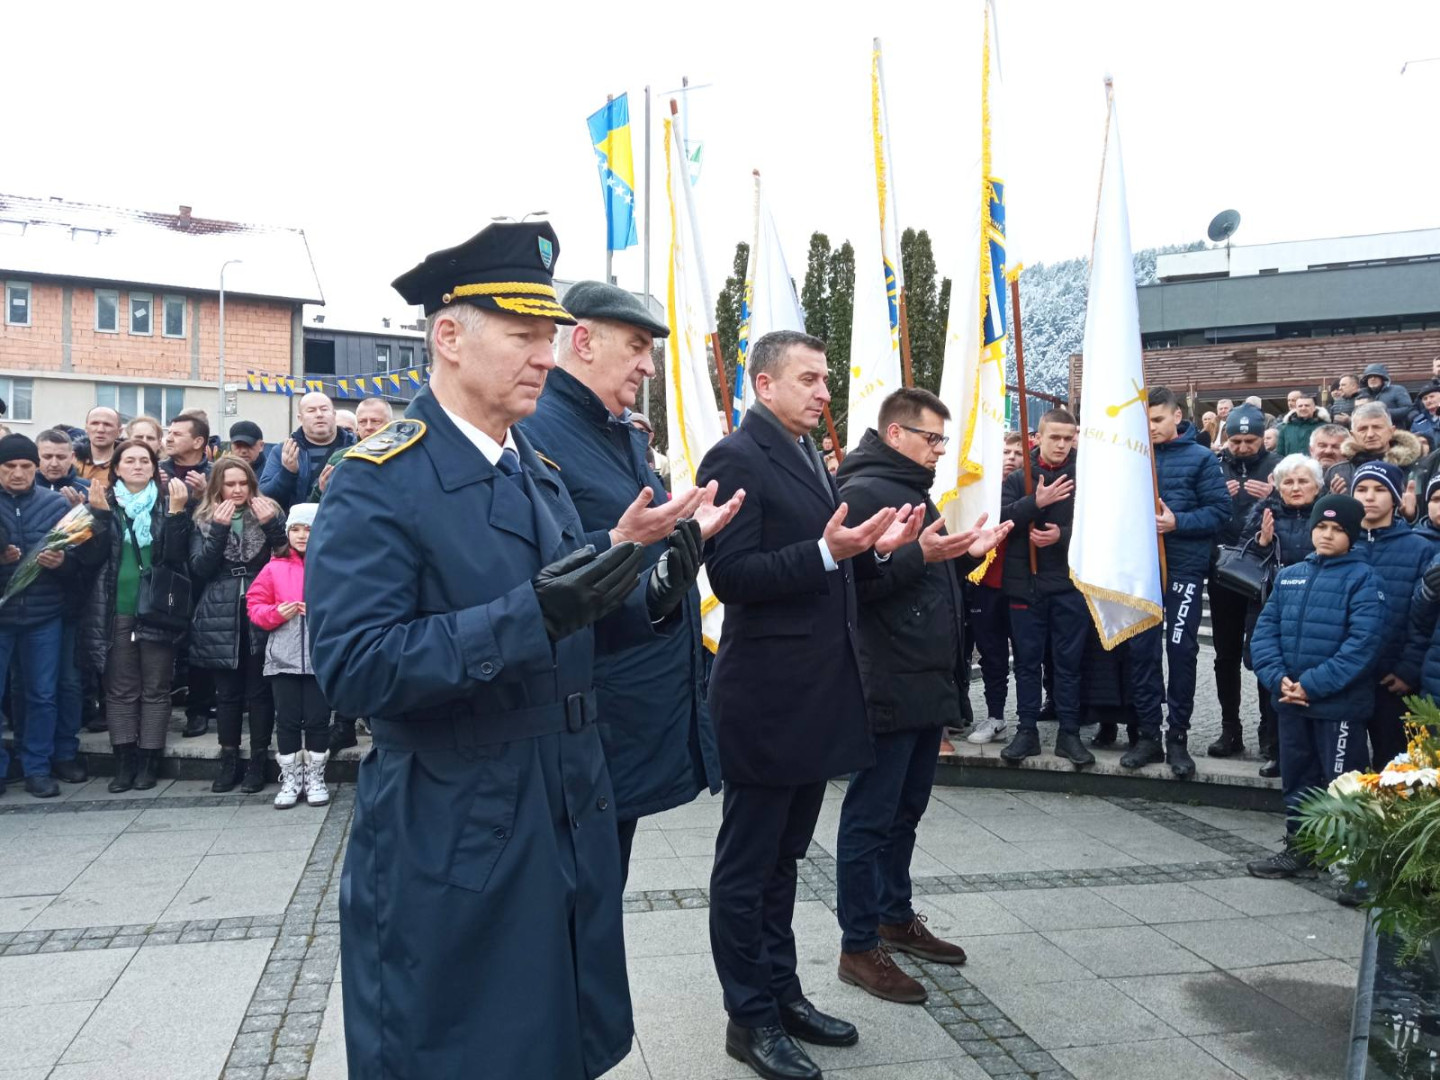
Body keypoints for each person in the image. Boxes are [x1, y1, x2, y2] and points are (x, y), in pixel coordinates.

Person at [306, 222, 698, 1080]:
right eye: (524, 337)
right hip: (457, 819)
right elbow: (355, 665)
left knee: (559, 1041)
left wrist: (645, 603)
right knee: (463, 1048)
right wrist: (531, 615)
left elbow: (568, 621)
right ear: (448, 337)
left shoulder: (534, 468)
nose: (546, 359)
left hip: (563, 803)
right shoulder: (379, 479)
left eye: (550, 339)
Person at [698, 329, 922, 1080]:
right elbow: (731, 576)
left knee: (784, 862)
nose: (825, 392)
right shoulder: (735, 456)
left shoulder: (802, 454)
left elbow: (833, 567)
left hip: (812, 696)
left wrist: (883, 550)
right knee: (747, 866)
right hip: (765, 700)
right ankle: (748, 1018)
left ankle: (782, 992)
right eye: (809, 379)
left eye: (826, 379)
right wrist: (829, 551)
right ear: (764, 386)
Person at [519, 280, 739, 878]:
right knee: (574, 902)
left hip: (624, 713)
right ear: (583, 341)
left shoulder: (614, 429)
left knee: (597, 900)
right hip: (588, 715)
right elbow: (542, 569)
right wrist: (630, 542)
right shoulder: (537, 429)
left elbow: (633, 541)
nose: (648, 364)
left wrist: (683, 534)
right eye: (637, 345)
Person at [833, 387, 1009, 1004]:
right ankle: (858, 945)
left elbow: (910, 575)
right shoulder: (865, 492)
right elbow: (855, 584)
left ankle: (892, 914)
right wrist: (923, 556)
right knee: (870, 817)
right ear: (896, 434)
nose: (940, 449)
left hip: (923, 680)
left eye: (943, 439)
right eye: (932, 437)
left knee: (904, 813)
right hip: (886, 680)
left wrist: (957, 560)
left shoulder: (907, 487)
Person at [1247, 494, 1382, 878]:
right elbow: (1265, 632)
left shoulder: (1363, 579)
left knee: (1344, 783)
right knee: (1298, 777)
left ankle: (1350, 861)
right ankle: (1302, 846)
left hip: (1337, 707)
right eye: (1321, 527)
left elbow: (1362, 645)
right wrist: (1279, 679)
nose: (1326, 535)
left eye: (1337, 530)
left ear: (1352, 536)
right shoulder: (1290, 575)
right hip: (1291, 702)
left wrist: (1312, 685)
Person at [1125, 388, 1230, 779]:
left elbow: (1221, 512)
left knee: (1181, 651)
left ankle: (1178, 738)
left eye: (1156, 420)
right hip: (1142, 571)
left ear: (1176, 417)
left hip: (1184, 570)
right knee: (1142, 652)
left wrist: (1177, 523)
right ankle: (1148, 735)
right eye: (1144, 421)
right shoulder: (1133, 458)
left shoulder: (1201, 458)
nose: (1150, 428)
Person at [79, 442, 191, 791]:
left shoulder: (168, 501)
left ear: (155, 466)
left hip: (156, 611)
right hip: (115, 610)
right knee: (120, 690)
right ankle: (124, 761)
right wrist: (96, 516)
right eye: (130, 460)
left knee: (156, 688)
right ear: (116, 468)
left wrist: (176, 515)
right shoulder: (102, 504)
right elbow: (89, 560)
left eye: (145, 460)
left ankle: (149, 761)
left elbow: (177, 559)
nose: (138, 466)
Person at [998, 408, 1094, 768]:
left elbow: (1099, 525)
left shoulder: (1085, 478)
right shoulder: (1020, 477)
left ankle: (1070, 732)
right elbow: (1002, 519)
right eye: (1055, 437)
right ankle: (1026, 729)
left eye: (1069, 438)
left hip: (1069, 583)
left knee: (1068, 663)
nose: (1062, 445)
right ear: (1038, 438)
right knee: (1026, 661)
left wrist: (1061, 536)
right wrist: (1034, 504)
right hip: (1026, 584)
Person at [189, 457, 287, 793]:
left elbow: (287, 556)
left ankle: (258, 761)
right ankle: (228, 759)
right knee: (227, 693)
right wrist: (218, 529)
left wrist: (273, 525)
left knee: (259, 692)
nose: (237, 490)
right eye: (229, 484)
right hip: (220, 608)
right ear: (218, 486)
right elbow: (200, 568)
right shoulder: (204, 518)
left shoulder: (267, 509)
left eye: (242, 483)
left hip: (261, 605)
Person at [0, 434, 78, 798]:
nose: (18, 474)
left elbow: (80, 560)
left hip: (44, 615)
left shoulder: (54, 505)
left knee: (42, 695)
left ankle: (37, 768)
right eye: (10, 467)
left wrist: (62, 563)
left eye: (25, 467)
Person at [1236, 454, 1323, 777]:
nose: (1296, 487)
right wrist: (1262, 541)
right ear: (1277, 486)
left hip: (1316, 611)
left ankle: (1314, 750)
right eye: (1288, 481)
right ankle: (1276, 750)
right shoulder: (1263, 514)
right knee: (1271, 681)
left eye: (1303, 481)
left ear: (1318, 485)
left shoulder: (1327, 515)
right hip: (1271, 610)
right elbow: (1244, 557)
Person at [247, 501, 332, 810]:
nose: (301, 535)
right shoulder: (274, 567)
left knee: (318, 719)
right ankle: (291, 779)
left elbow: (349, 605)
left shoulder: (331, 566)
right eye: (295, 529)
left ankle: (315, 778)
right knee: (287, 720)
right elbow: (255, 604)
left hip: (320, 656)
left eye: (308, 529)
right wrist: (275, 614)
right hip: (283, 657)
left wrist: (324, 613)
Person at [1349, 461, 1433, 769]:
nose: (1369, 497)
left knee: (1393, 764)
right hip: (1347, 679)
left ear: (1397, 498)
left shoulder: (1419, 549)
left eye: (1380, 489)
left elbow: (1422, 616)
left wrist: (1409, 668)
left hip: (1393, 679)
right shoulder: (1338, 544)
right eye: (1362, 489)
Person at [1207, 405, 1279, 759]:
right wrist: (1218, 494)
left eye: (1250, 440)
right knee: (1225, 655)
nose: (1243, 447)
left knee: (1265, 654)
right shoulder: (1215, 466)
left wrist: (1274, 495)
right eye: (1236, 440)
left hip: (1264, 572)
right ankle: (1229, 728)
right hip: (1223, 571)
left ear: (1263, 437)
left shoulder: (1279, 466)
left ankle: (1268, 730)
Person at [965, 431, 1026, 745]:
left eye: (1018, 453)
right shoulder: (978, 489)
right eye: (1006, 452)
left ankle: (1029, 721)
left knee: (1028, 657)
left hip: (1021, 585)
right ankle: (995, 716)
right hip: (984, 583)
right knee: (991, 654)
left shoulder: (1030, 489)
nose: (1012, 458)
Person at [259, 392, 356, 510]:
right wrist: (288, 473)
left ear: (334, 414)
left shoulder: (355, 447)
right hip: (301, 526)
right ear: (300, 418)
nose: (319, 414)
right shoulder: (284, 451)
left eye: (324, 409)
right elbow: (265, 497)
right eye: (311, 410)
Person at [1324, 402, 1424, 513]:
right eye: (1363, 429)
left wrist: (1411, 516)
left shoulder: (1417, 469)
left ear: (1392, 431)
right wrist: (1332, 499)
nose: (1370, 434)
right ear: (1353, 435)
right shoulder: (1338, 472)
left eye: (1377, 427)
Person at [310, 397, 392, 502]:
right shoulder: (340, 459)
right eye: (362, 422)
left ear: (391, 424)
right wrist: (321, 491)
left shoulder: (406, 456)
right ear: (357, 427)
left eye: (375, 421)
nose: (368, 427)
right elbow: (315, 506)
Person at [160, 412, 213, 506]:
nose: (168, 439)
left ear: (197, 442)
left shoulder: (216, 474)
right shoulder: (156, 470)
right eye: (169, 433)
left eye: (177, 434)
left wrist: (205, 494)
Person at [35, 429, 90, 505]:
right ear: (36, 456)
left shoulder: (88, 488)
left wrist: (78, 511)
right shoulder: (24, 488)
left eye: (61, 457)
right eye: (47, 457)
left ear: (72, 457)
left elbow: (101, 516)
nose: (54, 464)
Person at [1356, 362, 1412, 426]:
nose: (1372, 379)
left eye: (1376, 376)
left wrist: (1382, 412)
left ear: (1383, 378)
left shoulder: (1397, 390)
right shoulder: (1362, 395)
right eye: (1369, 377)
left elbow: (1408, 409)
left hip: (1394, 431)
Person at [75, 406, 121, 481]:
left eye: (107, 424)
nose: (100, 430)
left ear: (119, 431)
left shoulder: (128, 465)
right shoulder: (71, 462)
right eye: (94, 423)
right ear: (86, 428)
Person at [1276, 392, 1326, 457]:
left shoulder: (1324, 428)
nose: (1303, 408)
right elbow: (1280, 454)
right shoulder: (1285, 428)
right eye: (1300, 406)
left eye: (1307, 405)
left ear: (1314, 408)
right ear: (1296, 409)